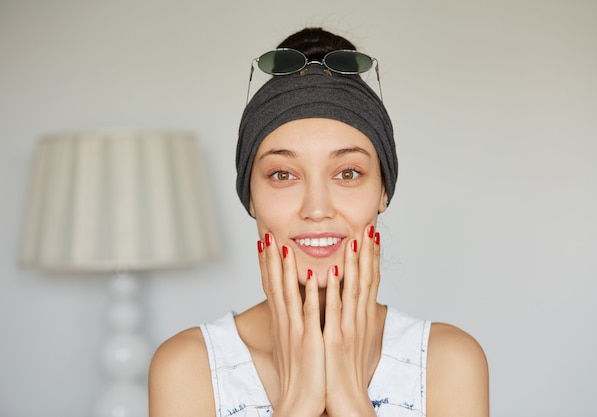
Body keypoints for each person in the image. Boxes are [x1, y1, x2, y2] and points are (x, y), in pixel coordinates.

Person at [148, 27, 489, 417]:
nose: (316, 208)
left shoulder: (447, 363)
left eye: (347, 173)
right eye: (282, 174)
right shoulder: (190, 368)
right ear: (250, 197)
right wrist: (298, 404)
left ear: (383, 191)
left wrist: (349, 400)